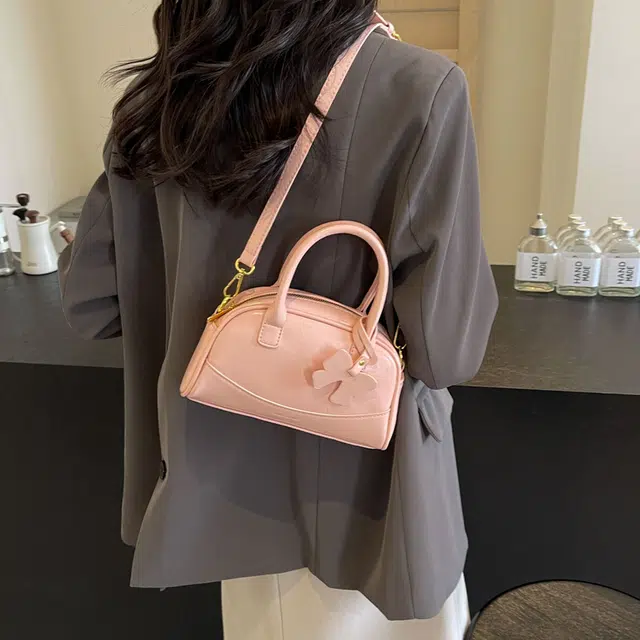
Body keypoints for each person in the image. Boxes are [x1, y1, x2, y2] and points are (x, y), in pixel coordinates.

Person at [59, 2, 498, 638]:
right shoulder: (419, 86)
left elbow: (93, 304)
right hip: (370, 508)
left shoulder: (161, 95)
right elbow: (447, 349)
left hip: (219, 495)